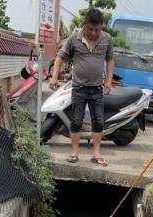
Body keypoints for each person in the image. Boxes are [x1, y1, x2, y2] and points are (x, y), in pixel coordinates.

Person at [49, 9, 114, 167]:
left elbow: (110, 60)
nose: (94, 33)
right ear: (85, 25)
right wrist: (54, 77)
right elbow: (59, 58)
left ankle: (96, 153)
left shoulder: (107, 38)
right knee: (76, 121)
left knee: (98, 122)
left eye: (97, 29)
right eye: (91, 29)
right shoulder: (74, 39)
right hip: (79, 87)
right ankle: (74, 152)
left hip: (97, 88)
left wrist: (109, 80)